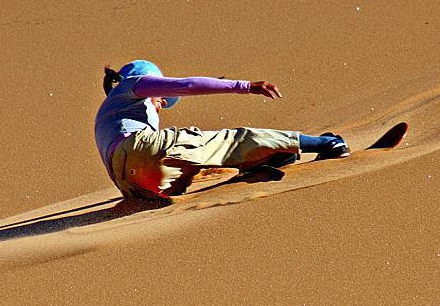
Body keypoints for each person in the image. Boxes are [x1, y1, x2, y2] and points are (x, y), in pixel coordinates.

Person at [95, 60, 350, 201]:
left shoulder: (105, 116)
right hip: (142, 147)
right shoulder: (134, 84)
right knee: (233, 140)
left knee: (193, 160)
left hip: (130, 184)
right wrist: (246, 86)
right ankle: (325, 144)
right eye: (162, 99)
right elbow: (188, 85)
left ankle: (258, 160)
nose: (162, 104)